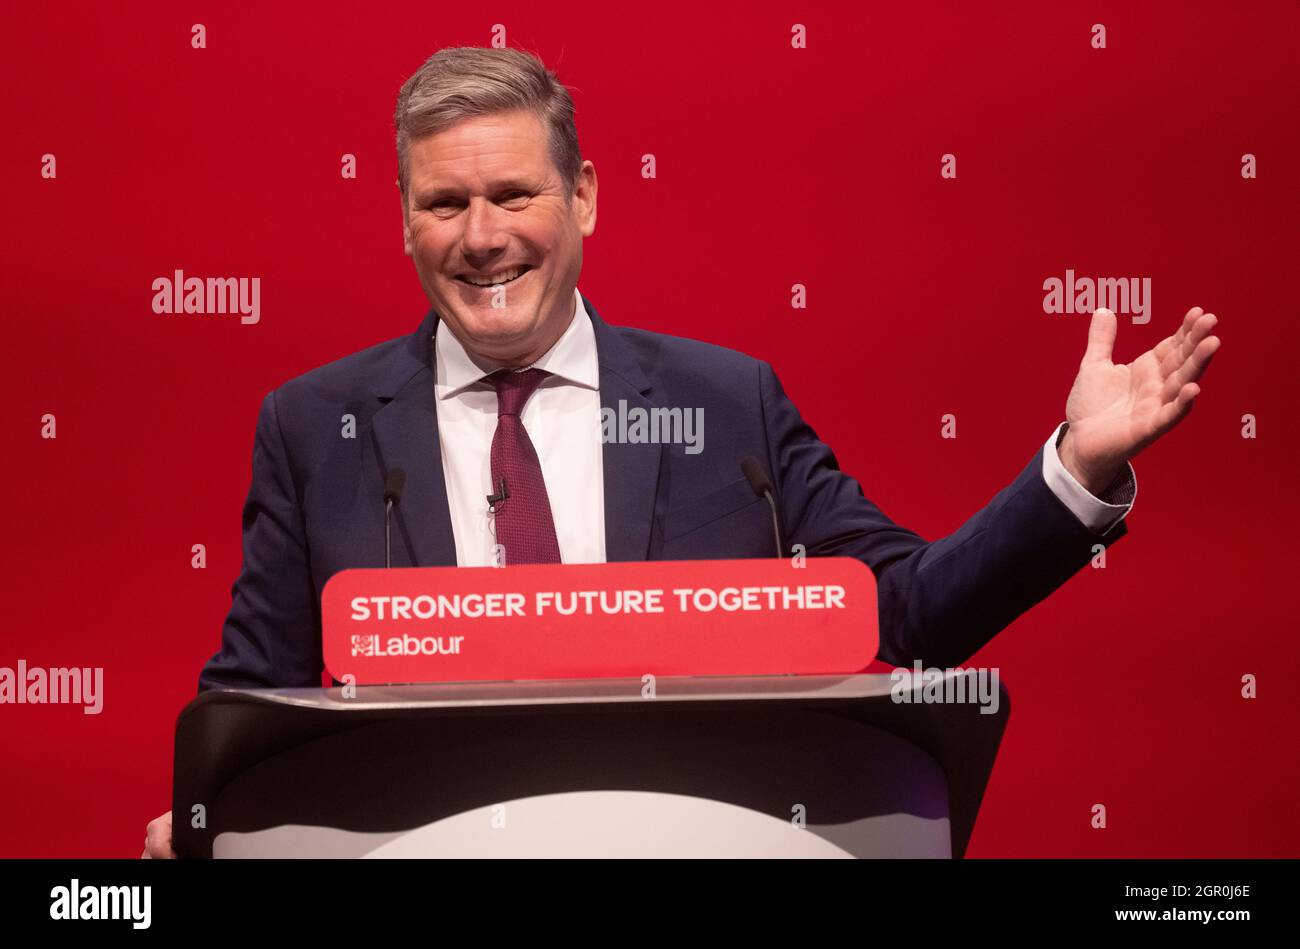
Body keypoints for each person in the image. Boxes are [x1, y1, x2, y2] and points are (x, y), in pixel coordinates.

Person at [142, 46, 1220, 857]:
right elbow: (248, 702)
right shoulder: (314, 422)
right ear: (404, 219)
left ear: (585, 197)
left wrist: (1074, 472)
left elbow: (906, 610)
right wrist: (201, 815)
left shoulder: (726, 402)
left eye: (513, 193)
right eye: (445, 203)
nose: (481, 236)